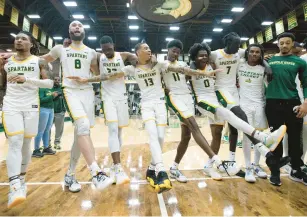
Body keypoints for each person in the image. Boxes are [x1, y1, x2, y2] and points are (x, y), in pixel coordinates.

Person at [69, 42, 218, 192]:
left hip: (160, 104)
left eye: (149, 48)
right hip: (147, 105)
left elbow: (181, 69)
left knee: (160, 138)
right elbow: (108, 76)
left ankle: (152, 168)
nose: (149, 49)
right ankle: (161, 170)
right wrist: (86, 80)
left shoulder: (158, 64)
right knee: (153, 136)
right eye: (146, 48)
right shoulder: (131, 68)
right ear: (138, 52)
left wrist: (204, 73)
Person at [188, 42, 288, 181]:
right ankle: (262, 139)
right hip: (205, 101)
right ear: (194, 57)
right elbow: (187, 73)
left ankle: (218, 164)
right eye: (200, 56)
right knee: (224, 123)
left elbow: (255, 55)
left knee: (225, 131)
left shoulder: (214, 64)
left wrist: (267, 64)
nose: (204, 57)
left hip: (216, 99)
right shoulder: (192, 67)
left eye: (206, 55)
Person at [41, 20, 113, 193]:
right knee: (82, 126)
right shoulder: (61, 49)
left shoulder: (91, 53)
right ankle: (96, 172)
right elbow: (42, 60)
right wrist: (18, 58)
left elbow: (98, 74)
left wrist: (109, 63)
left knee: (81, 134)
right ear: (69, 30)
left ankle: (70, 174)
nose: (77, 27)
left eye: (80, 25)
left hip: (87, 92)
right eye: (73, 25)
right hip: (70, 91)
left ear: (84, 31)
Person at [1, 31, 53, 208]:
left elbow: (50, 83)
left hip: (31, 106)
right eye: (17, 38)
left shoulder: (39, 61)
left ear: (31, 44)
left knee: (25, 144)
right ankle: (14, 185)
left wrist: (27, 80)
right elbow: (3, 84)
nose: (19, 41)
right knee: (15, 141)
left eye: (23, 39)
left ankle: (21, 179)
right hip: (11, 105)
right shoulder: (6, 62)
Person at [266, 32, 307, 185]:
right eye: (281, 42)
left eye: (287, 43)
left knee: (295, 139)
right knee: (276, 139)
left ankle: (296, 169)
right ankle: (275, 171)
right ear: (278, 44)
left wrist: (305, 104)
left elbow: (306, 84)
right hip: (273, 103)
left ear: (292, 44)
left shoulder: (300, 62)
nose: (284, 45)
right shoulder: (269, 61)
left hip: (293, 103)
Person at [97, 35, 139, 185]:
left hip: (121, 97)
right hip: (107, 98)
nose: (107, 52)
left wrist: (134, 64)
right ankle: (117, 165)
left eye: (109, 49)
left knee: (119, 131)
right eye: (104, 50)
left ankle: (115, 165)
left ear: (113, 46)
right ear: (101, 49)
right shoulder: (99, 57)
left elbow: (137, 60)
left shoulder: (124, 55)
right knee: (113, 129)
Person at [238, 44, 268, 182]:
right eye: (252, 51)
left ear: (261, 54)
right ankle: (248, 167)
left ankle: (256, 165)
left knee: (260, 135)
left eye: (257, 52)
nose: (254, 54)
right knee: (247, 137)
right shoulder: (240, 64)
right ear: (247, 52)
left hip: (259, 104)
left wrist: (266, 62)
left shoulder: (264, 68)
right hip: (244, 104)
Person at [32, 87, 56, 157]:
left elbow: (50, 99)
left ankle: (46, 148)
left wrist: (54, 96)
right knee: (40, 130)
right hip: (43, 109)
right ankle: (36, 150)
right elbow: (40, 100)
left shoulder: (50, 88)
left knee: (47, 130)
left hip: (51, 109)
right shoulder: (41, 89)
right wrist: (52, 96)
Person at [52, 77, 66, 150]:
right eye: (55, 79)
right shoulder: (49, 87)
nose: (57, 81)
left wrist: (57, 93)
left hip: (60, 111)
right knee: (47, 129)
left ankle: (57, 143)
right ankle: (47, 144)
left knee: (59, 129)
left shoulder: (62, 88)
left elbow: (64, 92)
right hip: (50, 111)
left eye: (58, 80)